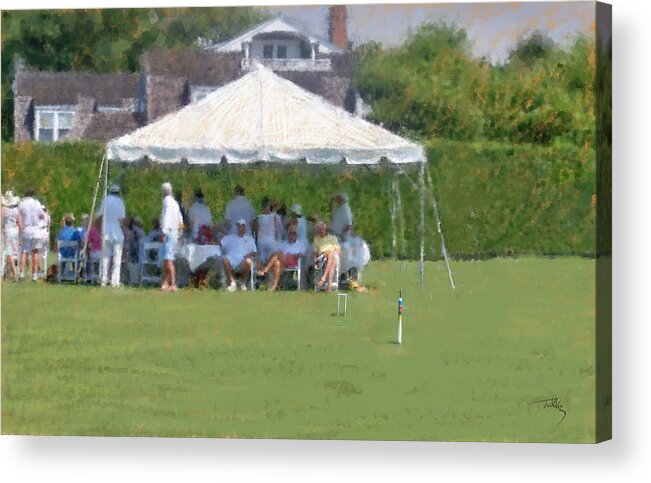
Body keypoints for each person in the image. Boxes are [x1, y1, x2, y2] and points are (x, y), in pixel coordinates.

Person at [256, 225, 306, 291]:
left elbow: (302, 255)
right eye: (290, 233)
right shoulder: (284, 244)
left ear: (297, 235)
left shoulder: (300, 244)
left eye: (294, 233)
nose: (292, 235)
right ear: (288, 234)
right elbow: (276, 253)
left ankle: (265, 269)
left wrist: (292, 255)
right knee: (277, 263)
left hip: (293, 261)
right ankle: (274, 285)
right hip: (283, 261)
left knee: (278, 254)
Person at [98, 183, 126, 288]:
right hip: (117, 232)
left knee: (105, 257)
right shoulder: (120, 202)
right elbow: (122, 219)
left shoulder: (105, 201)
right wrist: (125, 231)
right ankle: (115, 281)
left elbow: (100, 216)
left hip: (106, 232)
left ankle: (103, 280)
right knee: (117, 258)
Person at [218, 218, 257, 292]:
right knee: (224, 260)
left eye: (241, 226)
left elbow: (254, 252)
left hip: (243, 260)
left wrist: (247, 255)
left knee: (248, 262)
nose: (240, 227)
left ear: (244, 227)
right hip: (232, 259)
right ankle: (233, 282)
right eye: (238, 226)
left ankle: (243, 282)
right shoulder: (232, 237)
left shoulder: (249, 238)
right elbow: (220, 243)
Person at [160, 182, 184, 292]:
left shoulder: (167, 202)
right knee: (167, 259)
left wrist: (164, 232)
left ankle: (173, 284)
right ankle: (165, 283)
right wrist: (180, 232)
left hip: (169, 232)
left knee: (168, 259)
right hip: (175, 232)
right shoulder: (175, 203)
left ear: (164, 191)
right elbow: (180, 219)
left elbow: (166, 217)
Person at [18, 187, 45, 281]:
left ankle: (21, 273)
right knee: (35, 251)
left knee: (24, 252)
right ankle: (34, 275)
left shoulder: (22, 203)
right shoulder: (37, 203)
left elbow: (19, 216)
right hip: (35, 229)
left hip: (26, 228)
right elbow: (42, 215)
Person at [312, 221, 341, 291]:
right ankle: (328, 286)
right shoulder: (316, 239)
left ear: (325, 229)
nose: (320, 231)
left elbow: (339, 251)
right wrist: (315, 262)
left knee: (331, 256)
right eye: (319, 229)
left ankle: (324, 280)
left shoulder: (333, 238)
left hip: (332, 256)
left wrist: (330, 252)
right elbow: (315, 253)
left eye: (322, 229)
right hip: (321, 258)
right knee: (332, 258)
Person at [2, 191, 22, 281]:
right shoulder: (17, 210)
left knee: (8, 252)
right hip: (16, 230)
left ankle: (14, 273)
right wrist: (21, 235)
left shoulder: (4, 209)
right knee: (15, 252)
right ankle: (16, 271)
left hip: (8, 229)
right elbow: (20, 222)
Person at [255, 197, 280, 264]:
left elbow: (256, 230)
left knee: (262, 258)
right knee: (271, 258)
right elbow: (276, 229)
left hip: (261, 239)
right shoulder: (273, 216)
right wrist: (276, 239)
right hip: (271, 239)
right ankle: (267, 271)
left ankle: (262, 272)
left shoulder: (259, 217)